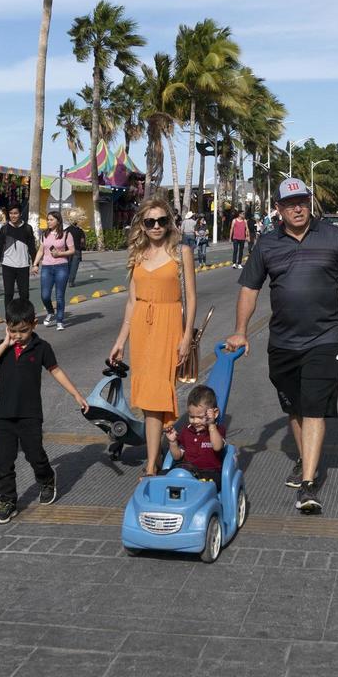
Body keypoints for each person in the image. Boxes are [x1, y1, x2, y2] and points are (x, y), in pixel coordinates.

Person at [227, 177, 338, 514]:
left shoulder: (333, 237)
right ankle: (306, 460)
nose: (297, 208)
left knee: (315, 407)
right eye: (289, 204)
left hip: (326, 338)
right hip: (283, 341)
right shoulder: (267, 244)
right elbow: (249, 288)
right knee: (295, 407)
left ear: (309, 202)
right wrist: (240, 331)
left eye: (302, 201)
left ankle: (307, 484)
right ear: (279, 209)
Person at [110, 197, 197, 477]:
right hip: (142, 330)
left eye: (161, 220)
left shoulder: (181, 252)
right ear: (142, 226)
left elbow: (192, 299)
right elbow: (131, 303)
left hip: (169, 324)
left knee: (159, 393)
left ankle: (150, 464)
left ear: (169, 222)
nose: (156, 226)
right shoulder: (137, 254)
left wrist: (185, 337)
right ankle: (154, 456)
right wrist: (121, 340)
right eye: (150, 222)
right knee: (148, 399)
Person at [0, 298, 88, 522]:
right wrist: (4, 344)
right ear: (6, 327)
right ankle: (8, 501)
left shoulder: (41, 348)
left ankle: (47, 478)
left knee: (35, 455)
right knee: (3, 461)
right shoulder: (3, 347)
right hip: (4, 415)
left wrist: (76, 394)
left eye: (23, 331)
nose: (18, 336)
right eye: (13, 330)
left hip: (30, 414)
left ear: (34, 325)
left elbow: (56, 371)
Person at [163, 383, 224, 481]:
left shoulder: (217, 430)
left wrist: (211, 425)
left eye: (200, 417)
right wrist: (173, 442)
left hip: (209, 474)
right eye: (191, 417)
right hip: (188, 472)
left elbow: (217, 447)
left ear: (215, 413)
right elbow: (177, 457)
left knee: (203, 484)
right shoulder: (187, 431)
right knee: (164, 474)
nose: (195, 421)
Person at [31, 210, 75, 331]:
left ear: (58, 221)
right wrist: (35, 264)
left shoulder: (66, 234)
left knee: (59, 296)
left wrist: (60, 253)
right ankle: (50, 311)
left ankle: (60, 320)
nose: (49, 222)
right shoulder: (44, 234)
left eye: (51, 220)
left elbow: (72, 250)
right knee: (45, 295)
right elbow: (41, 250)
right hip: (47, 267)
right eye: (48, 219)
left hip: (61, 267)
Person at [0, 205, 36, 312]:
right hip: (8, 265)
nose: (13, 216)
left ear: (20, 214)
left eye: (15, 213)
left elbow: (32, 247)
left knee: (24, 294)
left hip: (23, 265)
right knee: (9, 293)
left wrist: (35, 263)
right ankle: (9, 318)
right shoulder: (4, 229)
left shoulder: (27, 228)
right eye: (11, 213)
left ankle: (25, 316)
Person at [65, 210, 86, 289]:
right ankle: (71, 281)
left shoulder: (66, 230)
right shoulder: (80, 231)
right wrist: (82, 248)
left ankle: (65, 280)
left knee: (67, 266)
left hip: (67, 251)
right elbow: (82, 241)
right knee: (74, 267)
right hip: (77, 250)